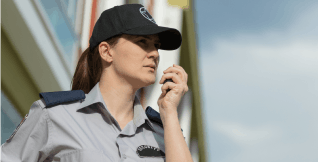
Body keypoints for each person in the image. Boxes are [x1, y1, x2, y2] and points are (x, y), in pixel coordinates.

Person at [0, 4, 193, 162]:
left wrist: (169, 113)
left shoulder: (164, 132)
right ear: (106, 51)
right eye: (142, 41)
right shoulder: (53, 115)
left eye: (156, 46)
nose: (154, 54)